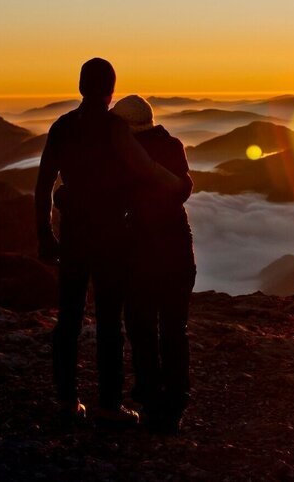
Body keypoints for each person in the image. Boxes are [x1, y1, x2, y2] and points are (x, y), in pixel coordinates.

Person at [34, 58, 181, 426]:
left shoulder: (62, 127)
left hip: (73, 236)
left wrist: (44, 234)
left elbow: (42, 184)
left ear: (80, 86)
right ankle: (109, 406)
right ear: (111, 90)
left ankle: (67, 401)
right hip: (112, 236)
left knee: (67, 319)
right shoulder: (116, 128)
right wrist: (178, 184)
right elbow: (144, 168)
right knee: (109, 322)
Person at [110, 95, 196, 434]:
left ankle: (150, 397)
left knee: (142, 324)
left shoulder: (124, 154)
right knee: (174, 327)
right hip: (177, 245)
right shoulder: (172, 145)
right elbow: (183, 188)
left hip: (142, 249)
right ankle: (176, 398)